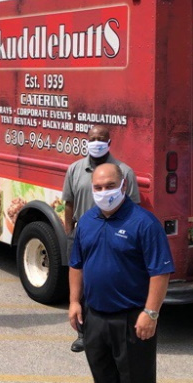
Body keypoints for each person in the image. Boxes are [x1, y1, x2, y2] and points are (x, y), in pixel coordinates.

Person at [68, 163, 174, 383]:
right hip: (94, 316)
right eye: (98, 188)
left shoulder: (144, 223)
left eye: (110, 186)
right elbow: (76, 264)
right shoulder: (87, 221)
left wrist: (150, 313)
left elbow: (160, 272)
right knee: (105, 381)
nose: (104, 192)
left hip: (132, 318)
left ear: (124, 185)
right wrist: (74, 302)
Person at [62, 124, 140, 353]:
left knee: (109, 282)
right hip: (83, 236)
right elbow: (69, 203)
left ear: (109, 142)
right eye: (93, 138)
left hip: (115, 236)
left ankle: (115, 333)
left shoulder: (124, 172)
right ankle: (83, 334)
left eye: (101, 138)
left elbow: (134, 207)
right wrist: (69, 232)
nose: (96, 142)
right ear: (87, 141)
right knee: (81, 286)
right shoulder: (75, 169)